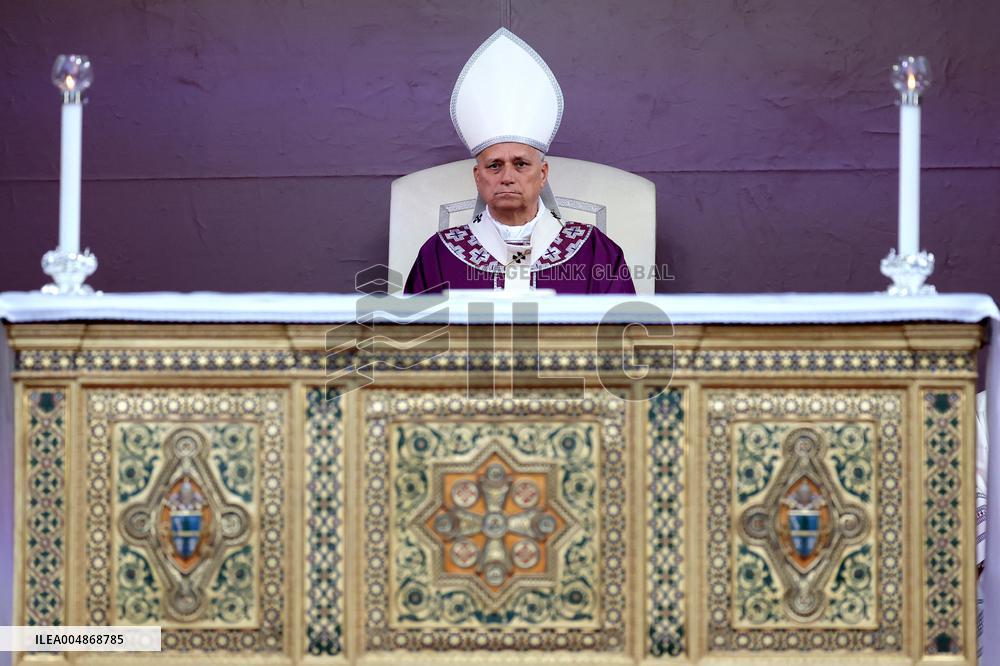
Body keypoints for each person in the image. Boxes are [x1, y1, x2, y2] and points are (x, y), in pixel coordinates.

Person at [404, 28, 635, 295]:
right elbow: (417, 333)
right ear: (478, 177)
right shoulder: (439, 254)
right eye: (494, 165)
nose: (507, 177)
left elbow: (622, 331)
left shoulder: (595, 251)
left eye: (521, 164)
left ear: (543, 173)